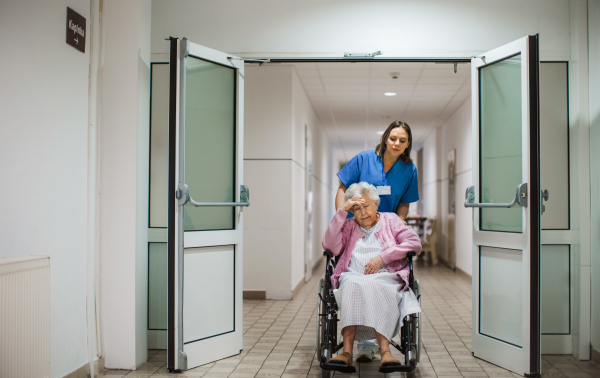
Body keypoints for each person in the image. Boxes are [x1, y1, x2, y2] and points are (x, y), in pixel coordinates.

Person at [335, 120, 419, 361]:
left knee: (381, 280)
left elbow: (405, 202)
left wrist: (398, 222)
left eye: (402, 140)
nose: (396, 143)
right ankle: (356, 347)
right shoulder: (364, 159)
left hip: (386, 229)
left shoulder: (409, 169)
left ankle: (378, 346)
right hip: (356, 226)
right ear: (385, 139)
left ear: (408, 144)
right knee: (354, 278)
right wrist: (341, 216)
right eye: (393, 138)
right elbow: (342, 187)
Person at [322, 182, 422, 368]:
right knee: (352, 284)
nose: (362, 213)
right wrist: (341, 212)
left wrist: (383, 257)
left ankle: (386, 352)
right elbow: (329, 245)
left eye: (366, 206)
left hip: (386, 275)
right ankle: (346, 352)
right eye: (356, 208)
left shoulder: (391, 220)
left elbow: (414, 243)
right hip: (353, 275)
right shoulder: (349, 225)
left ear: (376, 204)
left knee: (376, 284)